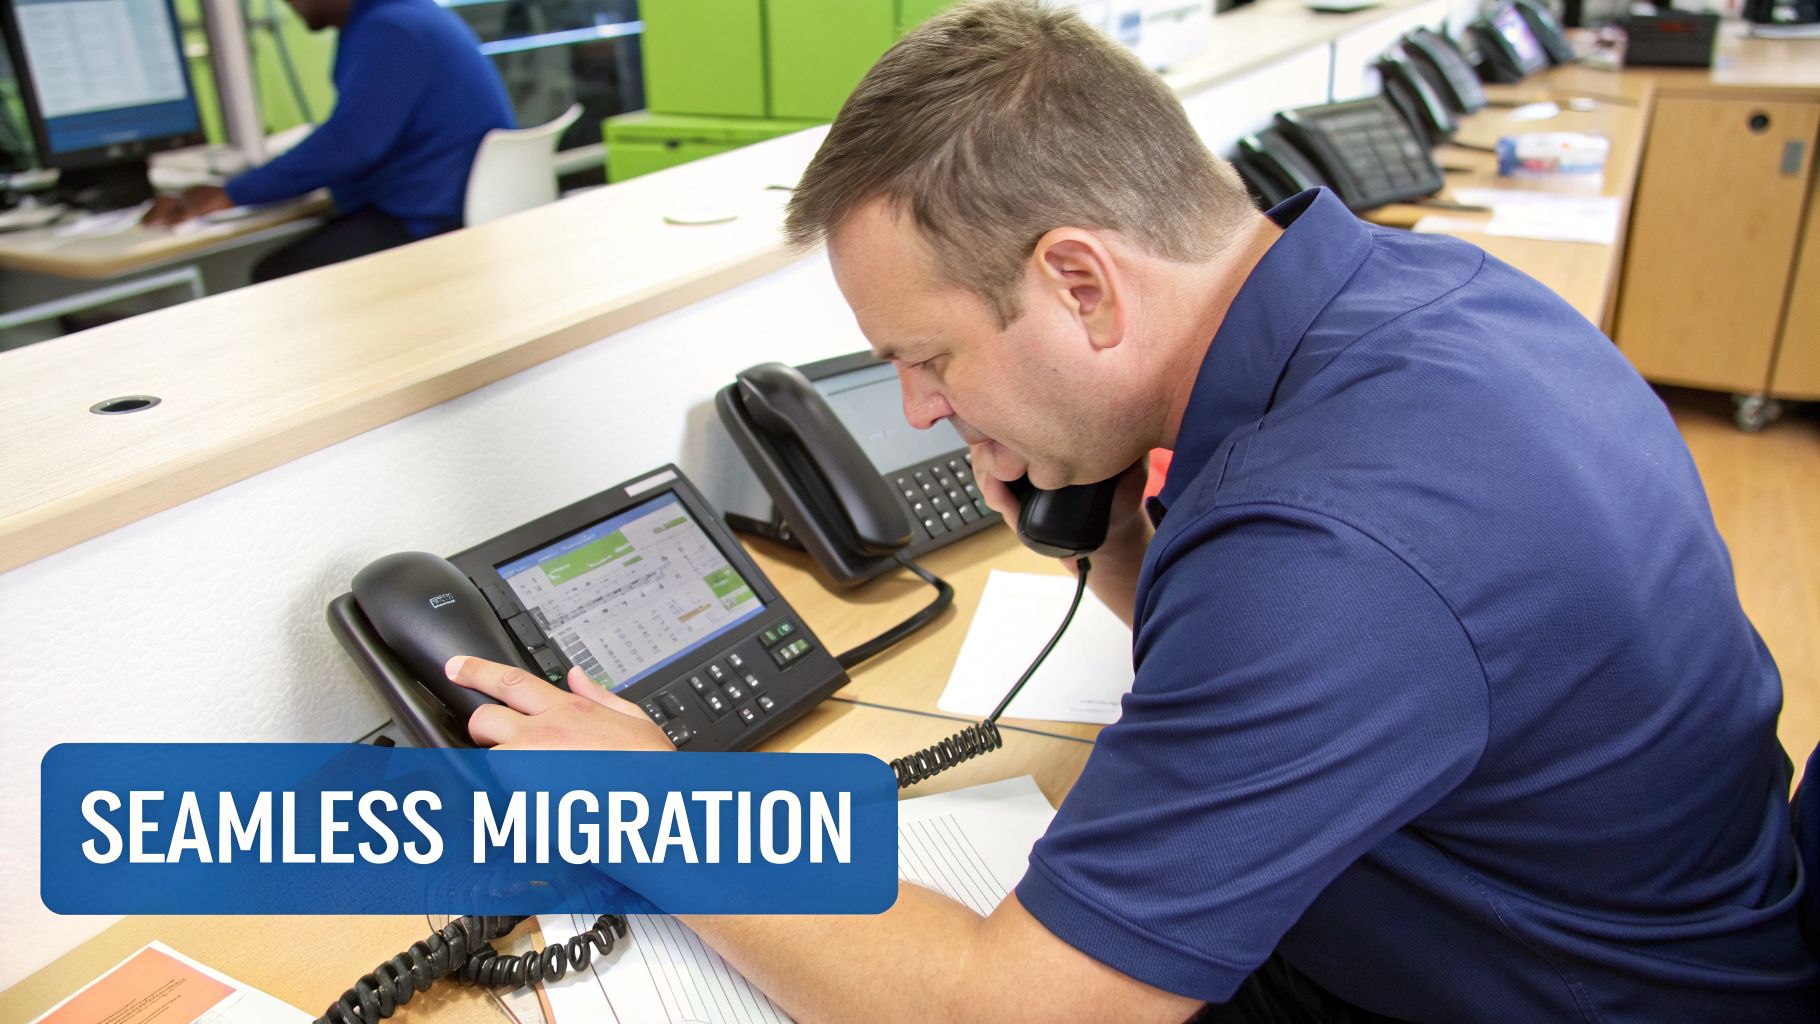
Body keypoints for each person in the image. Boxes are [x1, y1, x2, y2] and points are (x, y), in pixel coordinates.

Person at [436, 2, 1820, 1020]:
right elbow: (1361, 676)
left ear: (1084, 285)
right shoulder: (1433, 301)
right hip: (1602, 926)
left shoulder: (1327, 543)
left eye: (932, 357)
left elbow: (1006, 1014)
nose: (920, 410)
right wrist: (1109, 540)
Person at [144, 0, 514, 281]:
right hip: (447, 206)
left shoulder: (388, 28)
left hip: (430, 223)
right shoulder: (404, 15)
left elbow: (350, 145)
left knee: (275, 275)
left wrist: (231, 192)